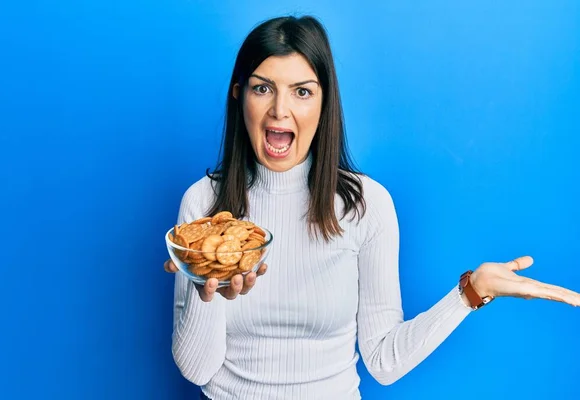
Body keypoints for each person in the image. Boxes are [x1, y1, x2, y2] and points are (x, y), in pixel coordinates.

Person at [163, 15, 580, 400]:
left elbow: (383, 361)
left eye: (302, 92)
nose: (279, 109)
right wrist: (206, 292)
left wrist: (471, 293)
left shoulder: (365, 205)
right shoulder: (203, 205)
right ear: (240, 96)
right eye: (262, 87)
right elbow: (197, 369)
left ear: (324, 104)